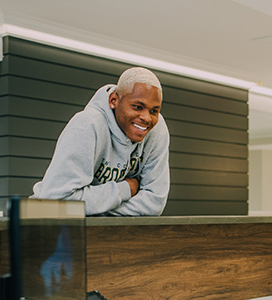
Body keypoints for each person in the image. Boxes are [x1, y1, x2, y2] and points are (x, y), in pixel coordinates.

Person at [31, 67, 170, 216]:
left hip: (106, 230)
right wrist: (126, 189)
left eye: (154, 111)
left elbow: (154, 203)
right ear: (113, 100)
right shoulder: (87, 125)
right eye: (138, 107)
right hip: (46, 224)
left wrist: (92, 212)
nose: (147, 117)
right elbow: (56, 202)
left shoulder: (157, 130)